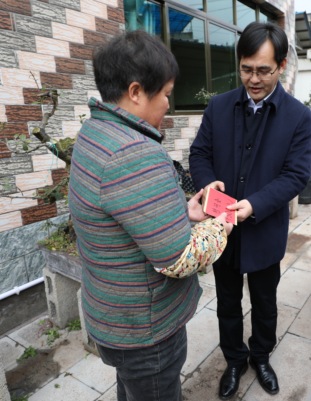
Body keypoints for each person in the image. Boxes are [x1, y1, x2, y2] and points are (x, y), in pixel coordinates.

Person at [68, 31, 233, 401]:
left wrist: (185, 211)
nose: (168, 107)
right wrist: (219, 224)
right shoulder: (135, 152)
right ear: (137, 91)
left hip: (112, 317)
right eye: (167, 95)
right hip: (146, 329)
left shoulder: (95, 131)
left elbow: (125, 215)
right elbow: (179, 258)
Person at [189, 22, 311, 400]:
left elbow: (296, 174)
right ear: (239, 63)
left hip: (262, 230)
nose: (254, 79)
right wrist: (209, 183)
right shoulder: (219, 106)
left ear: (282, 65)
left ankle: (260, 356)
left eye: (264, 70)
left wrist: (255, 204)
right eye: (247, 69)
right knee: (227, 302)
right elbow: (199, 153)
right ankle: (234, 360)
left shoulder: (297, 115)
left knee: (264, 303)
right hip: (221, 228)